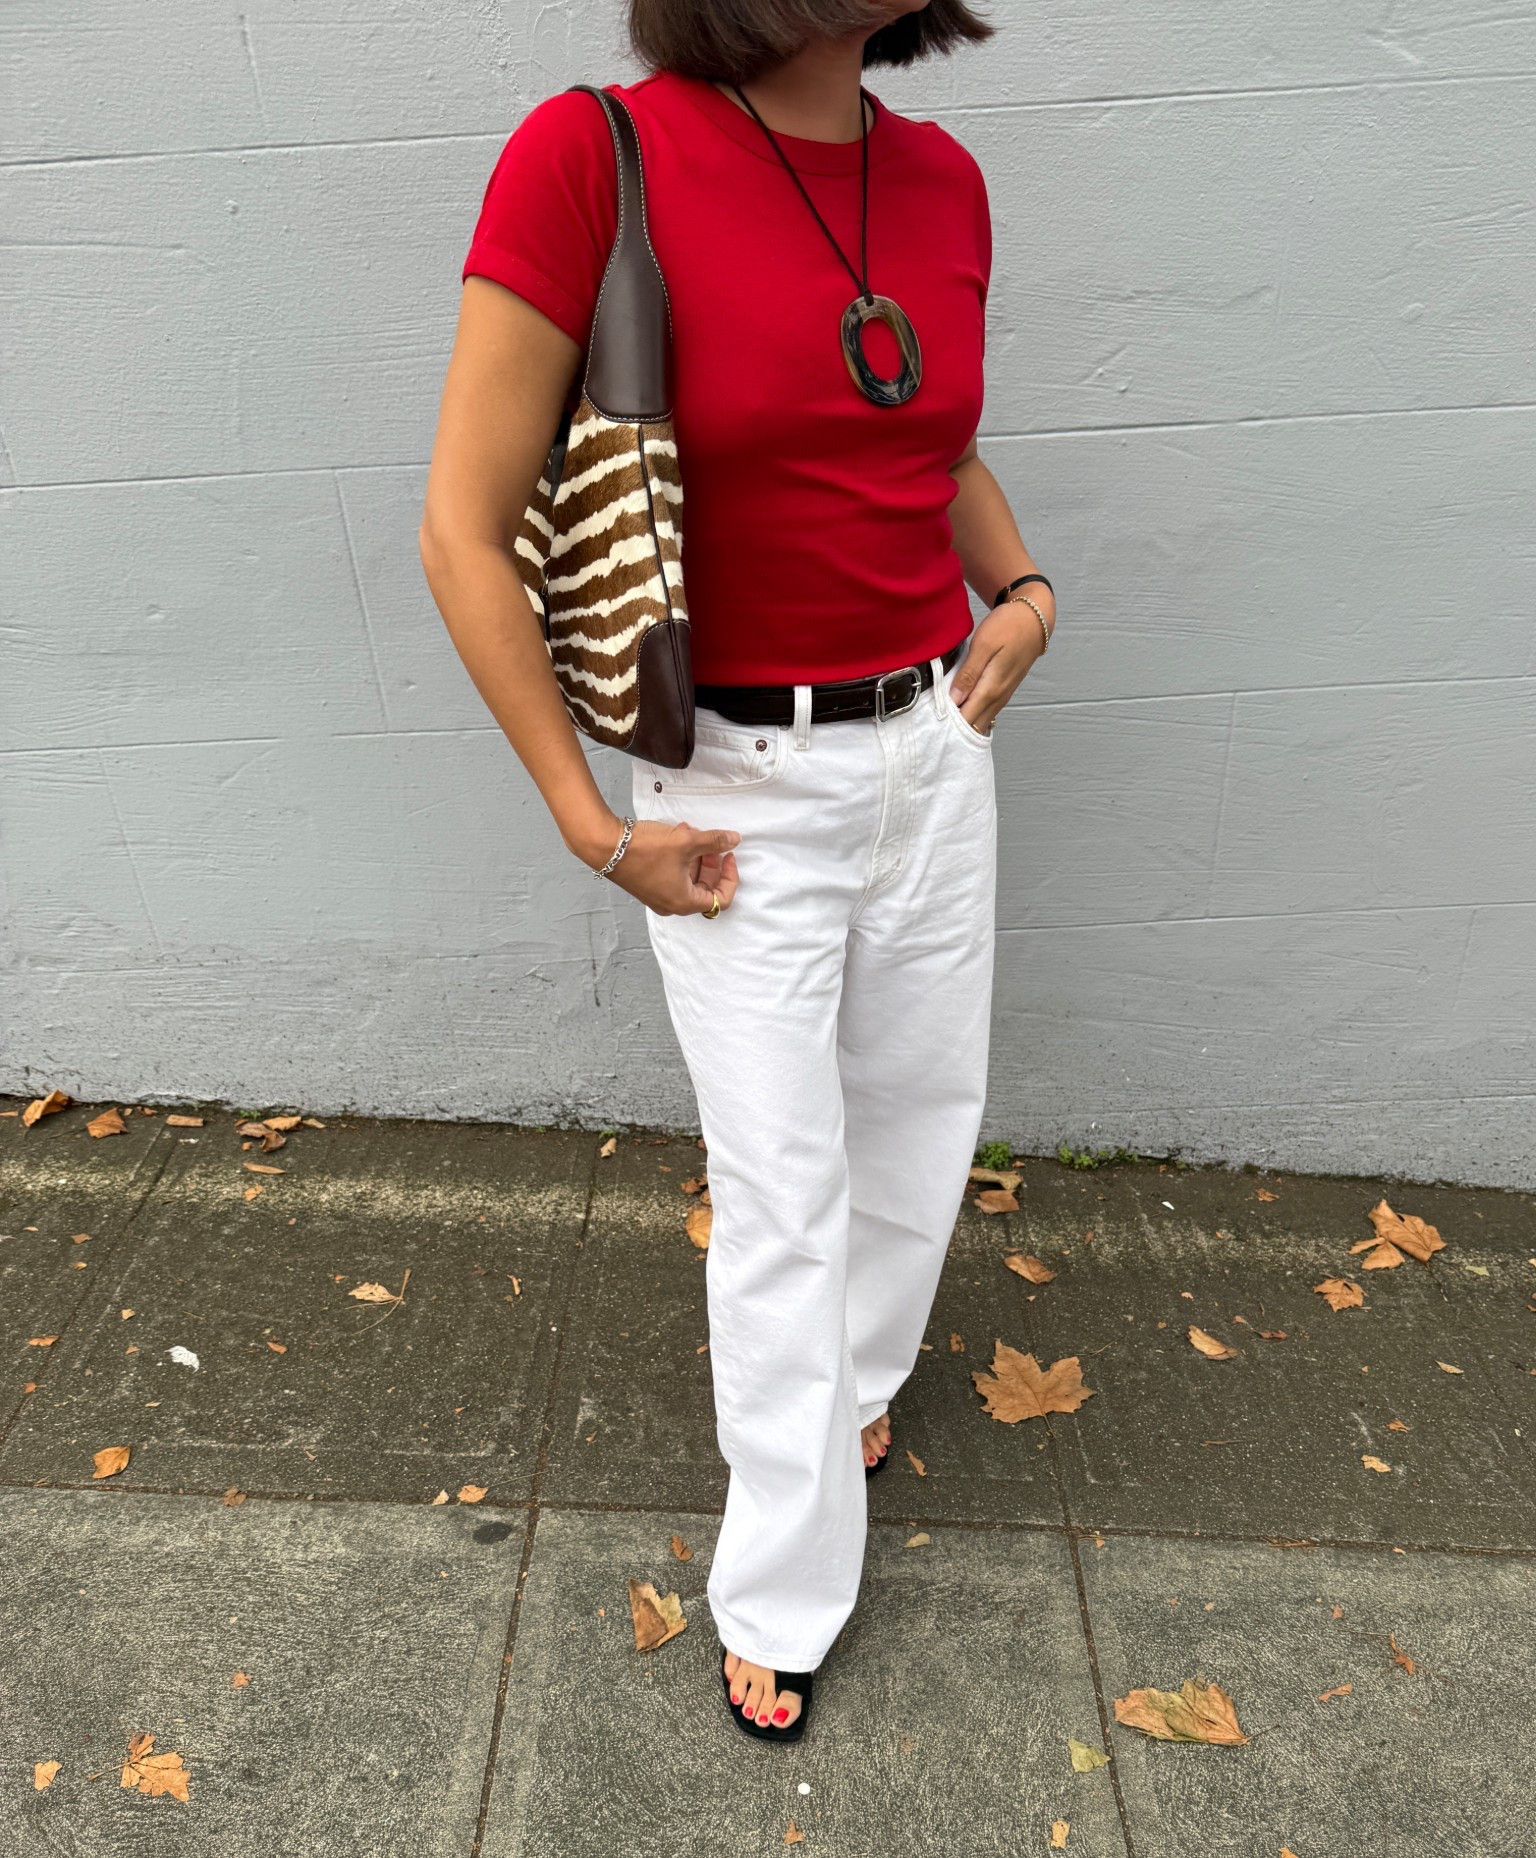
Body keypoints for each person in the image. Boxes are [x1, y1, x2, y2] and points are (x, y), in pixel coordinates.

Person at [419, 0, 1056, 1744]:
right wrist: (588, 815)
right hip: (732, 784)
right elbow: (463, 525)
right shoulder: (593, 158)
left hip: (934, 746)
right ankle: (784, 1578)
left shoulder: (943, 183)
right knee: (783, 1184)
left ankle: (857, 1383)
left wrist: (1025, 591)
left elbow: (928, 439)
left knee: (924, 1111)